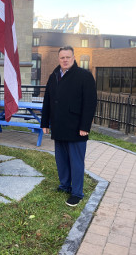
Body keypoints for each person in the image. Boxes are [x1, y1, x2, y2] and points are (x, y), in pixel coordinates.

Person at [41, 46, 97, 207]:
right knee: (61, 159)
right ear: (58, 59)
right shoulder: (54, 75)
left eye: (68, 57)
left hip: (77, 127)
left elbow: (90, 103)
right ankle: (64, 185)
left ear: (73, 58)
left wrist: (85, 126)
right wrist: (45, 122)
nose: (65, 60)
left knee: (76, 162)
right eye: (62, 57)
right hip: (59, 126)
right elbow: (48, 100)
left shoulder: (84, 76)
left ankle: (77, 193)